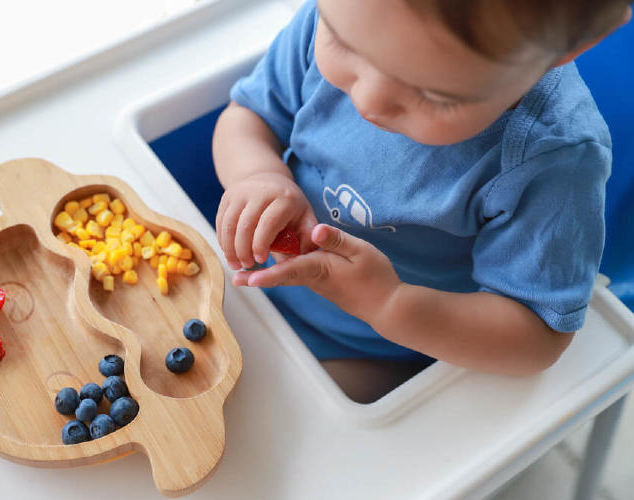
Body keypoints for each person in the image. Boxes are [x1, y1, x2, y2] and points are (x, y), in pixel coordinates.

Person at [211, 0, 632, 401]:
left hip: (369, 348)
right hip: (243, 284)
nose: (369, 101)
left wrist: (389, 304)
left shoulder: (552, 158)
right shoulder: (351, 15)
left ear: (565, 50)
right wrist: (257, 174)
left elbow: (537, 338)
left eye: (436, 97)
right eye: (343, 44)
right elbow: (249, 117)